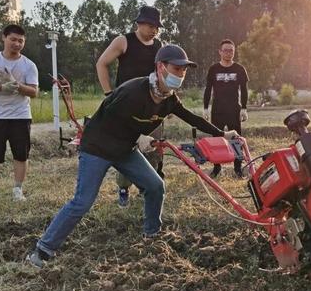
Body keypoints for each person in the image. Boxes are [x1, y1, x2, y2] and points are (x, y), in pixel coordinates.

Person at [26, 44, 239, 268]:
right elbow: (109, 115)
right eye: (176, 69)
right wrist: (138, 136)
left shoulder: (169, 99)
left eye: (183, 71)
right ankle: (43, 250)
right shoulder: (133, 90)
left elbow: (191, 118)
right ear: (160, 67)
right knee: (82, 201)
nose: (180, 74)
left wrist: (222, 133)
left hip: (124, 149)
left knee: (155, 186)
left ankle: (152, 237)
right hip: (98, 146)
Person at [96, 5, 165, 208]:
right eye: (150, 25)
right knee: (125, 150)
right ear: (139, 23)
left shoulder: (159, 46)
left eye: (156, 26)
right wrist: (109, 94)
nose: (154, 30)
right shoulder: (123, 41)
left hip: (152, 106)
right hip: (125, 107)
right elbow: (102, 63)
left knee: (152, 148)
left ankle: (147, 188)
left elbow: (161, 75)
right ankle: (124, 188)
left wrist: (166, 103)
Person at [0, 24, 39, 202]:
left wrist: (16, 84)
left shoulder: (29, 65)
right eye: (13, 39)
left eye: (20, 41)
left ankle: (18, 190)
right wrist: (1, 87)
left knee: (21, 154)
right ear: (4, 37)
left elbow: (34, 92)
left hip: (21, 116)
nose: (16, 44)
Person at [203, 39, 249, 178]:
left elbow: (244, 90)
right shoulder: (214, 69)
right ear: (220, 52)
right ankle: (217, 168)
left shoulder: (239, 69)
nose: (228, 53)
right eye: (226, 50)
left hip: (234, 109)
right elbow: (208, 89)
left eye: (231, 50)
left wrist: (244, 108)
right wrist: (205, 108)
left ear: (234, 52)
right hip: (217, 110)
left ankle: (238, 168)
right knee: (217, 139)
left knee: (236, 139)